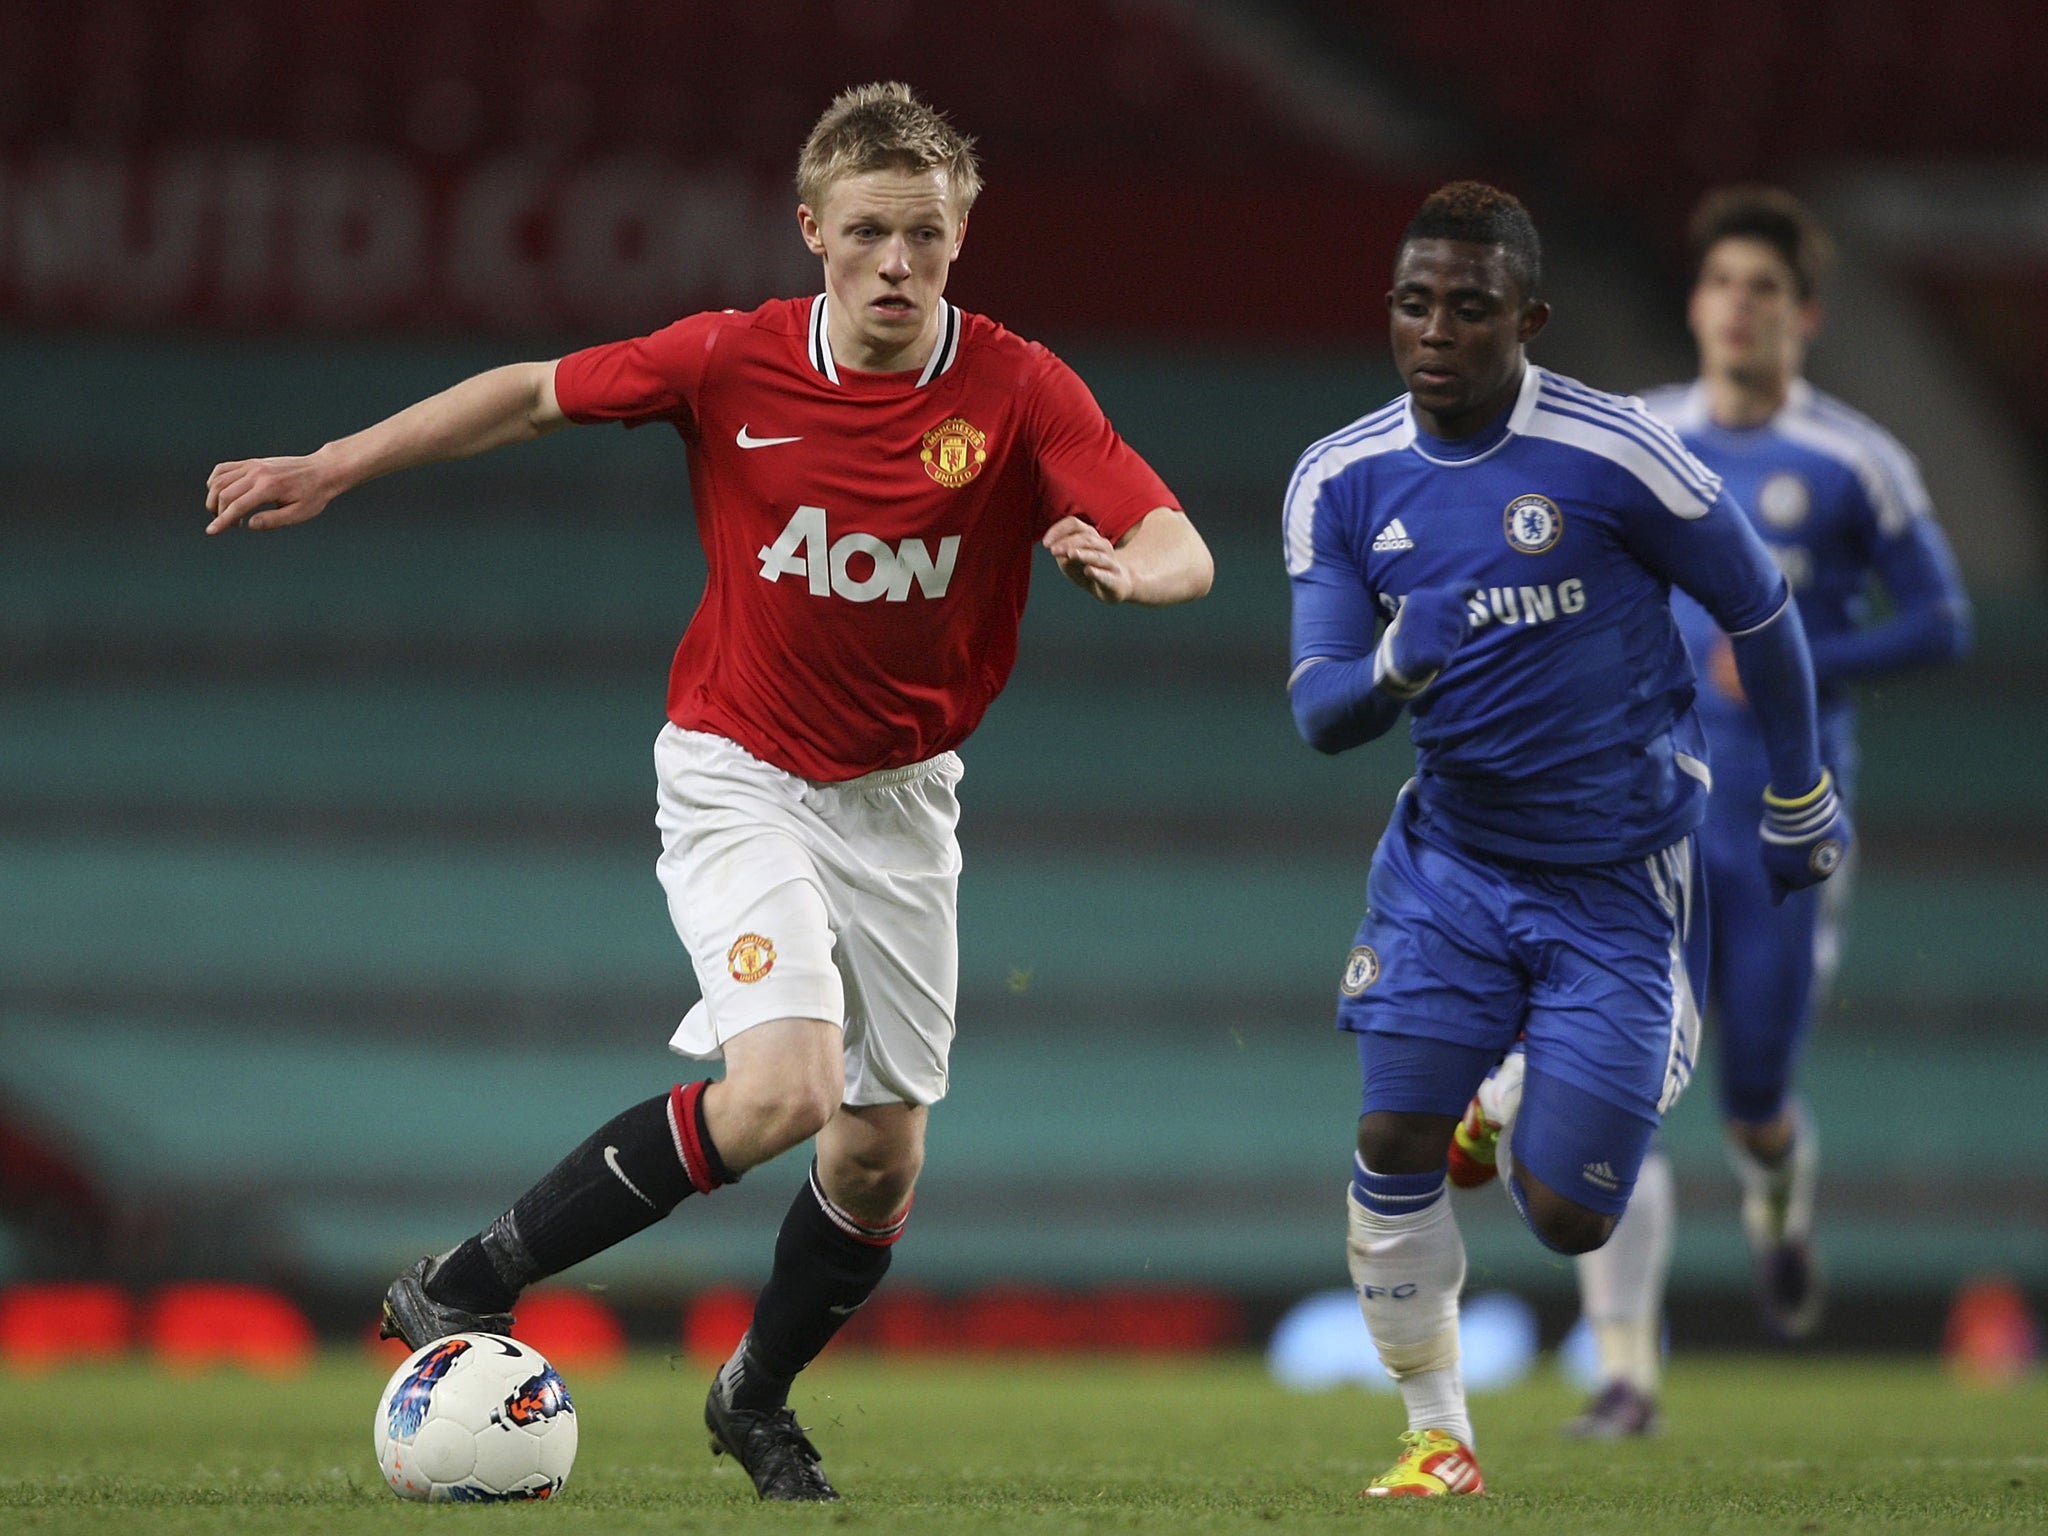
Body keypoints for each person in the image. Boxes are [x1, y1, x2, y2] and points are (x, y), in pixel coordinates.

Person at [205, 81, 1212, 1503]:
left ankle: (753, 1398)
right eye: (867, 233)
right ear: (813, 230)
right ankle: (463, 1281)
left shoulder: (1018, 388)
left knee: (877, 1164)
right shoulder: (729, 361)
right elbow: (533, 395)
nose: (896, 265)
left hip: (904, 803)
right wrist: (337, 463)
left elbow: (1179, 540)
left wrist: (1132, 573)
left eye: (925, 235)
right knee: (785, 1091)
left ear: (961, 234)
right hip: (738, 771)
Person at [1283, 180, 1847, 1497]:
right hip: (1451, 868)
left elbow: (1760, 611)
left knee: (1569, 1215)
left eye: (1470, 308)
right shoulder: (1345, 478)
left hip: (1616, 880)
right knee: (1390, 1140)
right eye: (1414, 304)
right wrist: (1393, 675)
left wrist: (1799, 795)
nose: (1436, 330)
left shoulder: (1619, 454)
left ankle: (1519, 1101)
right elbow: (1318, 711)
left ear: (1526, 319)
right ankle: (1440, 1438)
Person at [1531, 185, 1970, 1438]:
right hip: (1640, 821)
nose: (1738, 306)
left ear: (1803, 317)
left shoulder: (1853, 461)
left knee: (1751, 1100)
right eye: (1721, 284)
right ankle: (1625, 1372)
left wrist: (1801, 657)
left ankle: (1777, 1196)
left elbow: (1944, 622)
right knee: (1620, 1087)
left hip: (1784, 826)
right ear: (1695, 305)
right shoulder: (1640, 440)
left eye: (1763, 290)